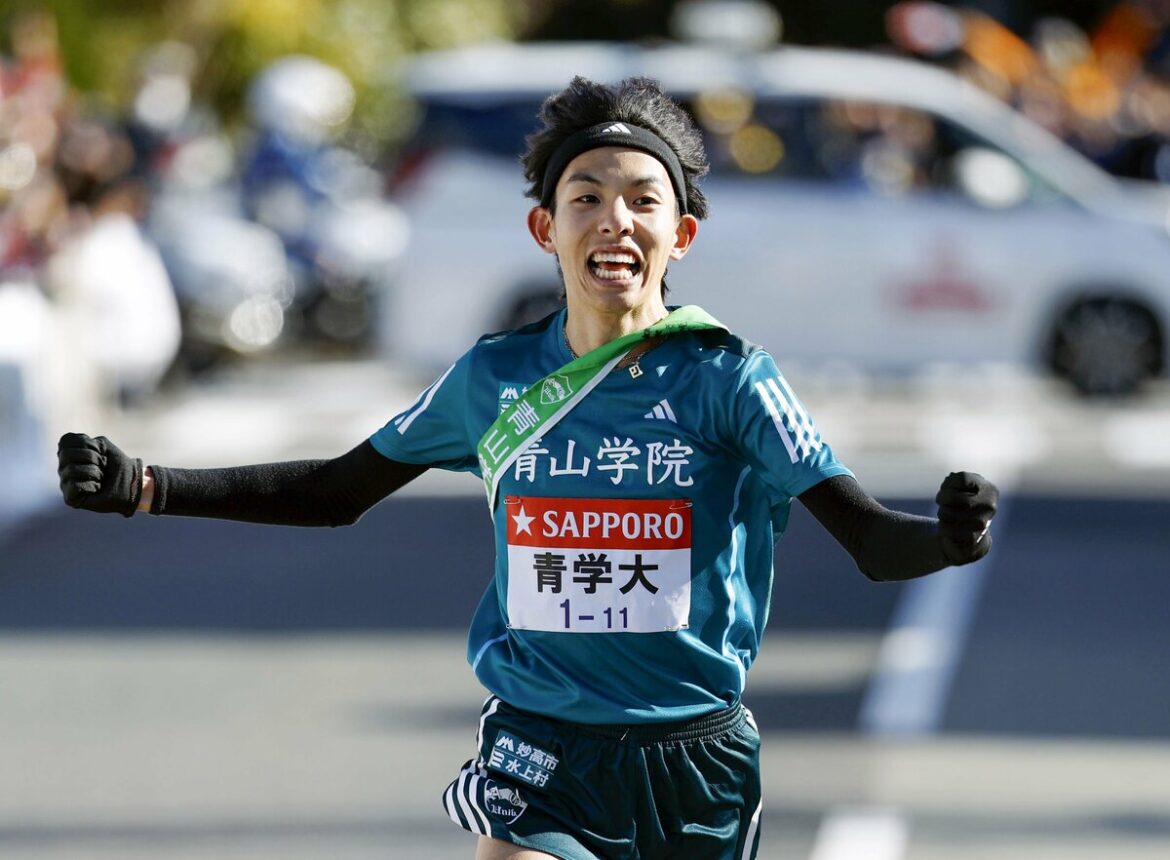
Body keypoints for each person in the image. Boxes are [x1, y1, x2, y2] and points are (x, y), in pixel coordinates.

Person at [57, 75, 998, 860]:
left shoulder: (730, 378)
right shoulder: (495, 379)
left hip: (694, 758)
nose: (614, 219)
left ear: (683, 235)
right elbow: (336, 492)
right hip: (538, 743)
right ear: (547, 231)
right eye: (586, 197)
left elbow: (872, 541)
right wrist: (150, 486)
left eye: (642, 198)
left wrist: (950, 539)